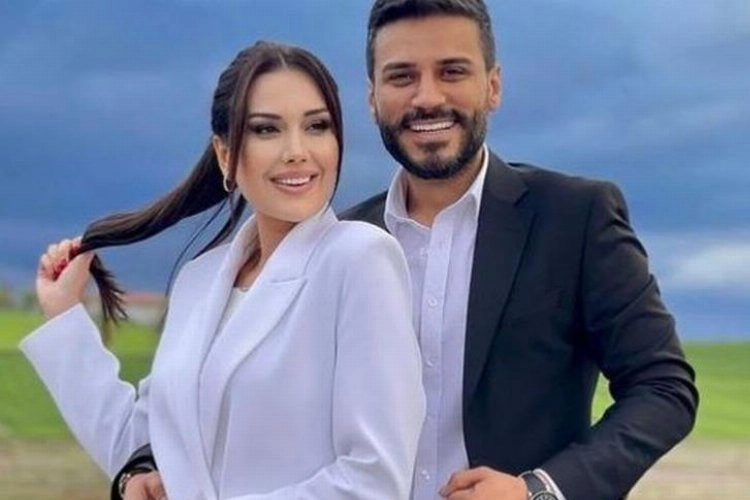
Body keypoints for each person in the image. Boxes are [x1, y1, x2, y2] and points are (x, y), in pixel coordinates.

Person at [112, 1, 700, 499]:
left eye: (452, 71)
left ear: (493, 85)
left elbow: (663, 387)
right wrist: (145, 463)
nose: (427, 97)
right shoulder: (337, 244)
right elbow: (231, 386)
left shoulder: (574, 216)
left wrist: (539, 490)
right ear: (372, 98)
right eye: (401, 77)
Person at [20, 41, 426, 500]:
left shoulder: (360, 259)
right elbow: (141, 443)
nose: (297, 151)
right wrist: (65, 315)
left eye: (317, 126)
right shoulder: (199, 279)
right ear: (224, 153)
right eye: (266, 129)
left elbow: (376, 479)